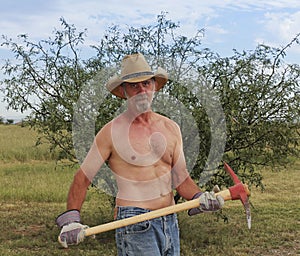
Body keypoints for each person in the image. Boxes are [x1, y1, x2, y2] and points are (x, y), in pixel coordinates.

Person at [56, 53, 224, 255]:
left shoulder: (171, 127)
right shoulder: (111, 132)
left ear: (154, 86)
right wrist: (72, 220)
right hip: (135, 222)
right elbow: (82, 178)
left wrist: (200, 197)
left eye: (146, 83)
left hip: (169, 219)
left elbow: (181, 178)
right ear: (124, 90)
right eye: (134, 86)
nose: (142, 90)